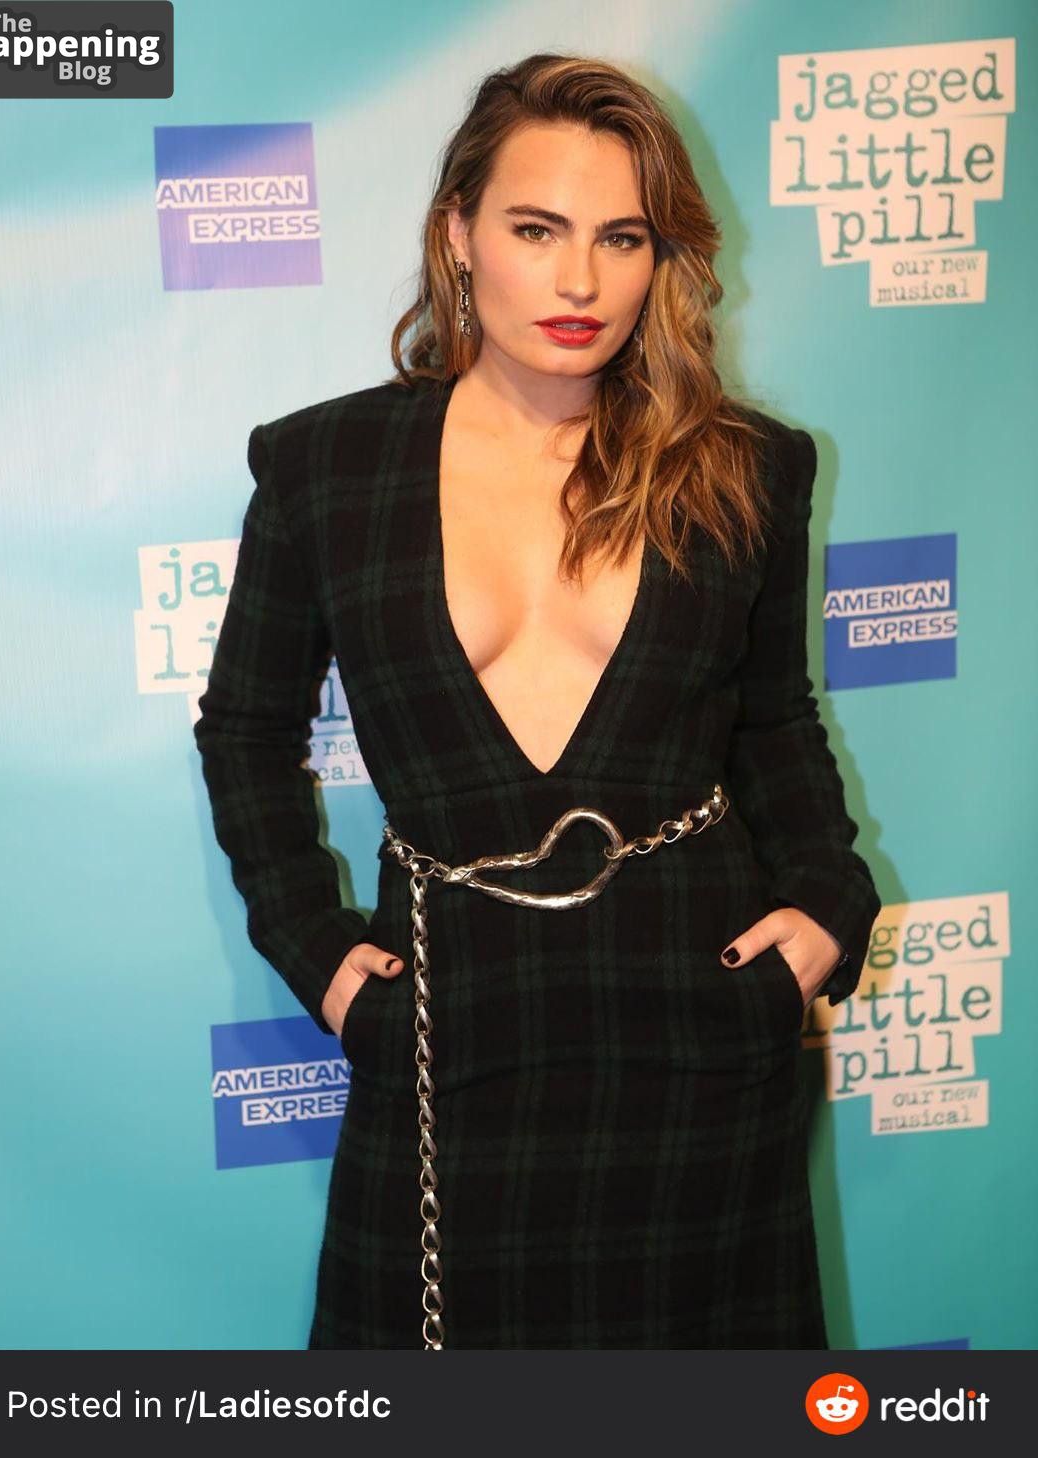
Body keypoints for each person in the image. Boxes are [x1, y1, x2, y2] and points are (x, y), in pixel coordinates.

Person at [193, 52, 881, 1350]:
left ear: (662, 257)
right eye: (536, 230)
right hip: (447, 1028)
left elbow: (775, 719)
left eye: (622, 237)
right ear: (458, 234)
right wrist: (318, 954)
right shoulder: (325, 469)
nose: (580, 283)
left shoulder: (743, 469)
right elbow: (244, 729)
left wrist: (826, 904)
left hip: (698, 1019)